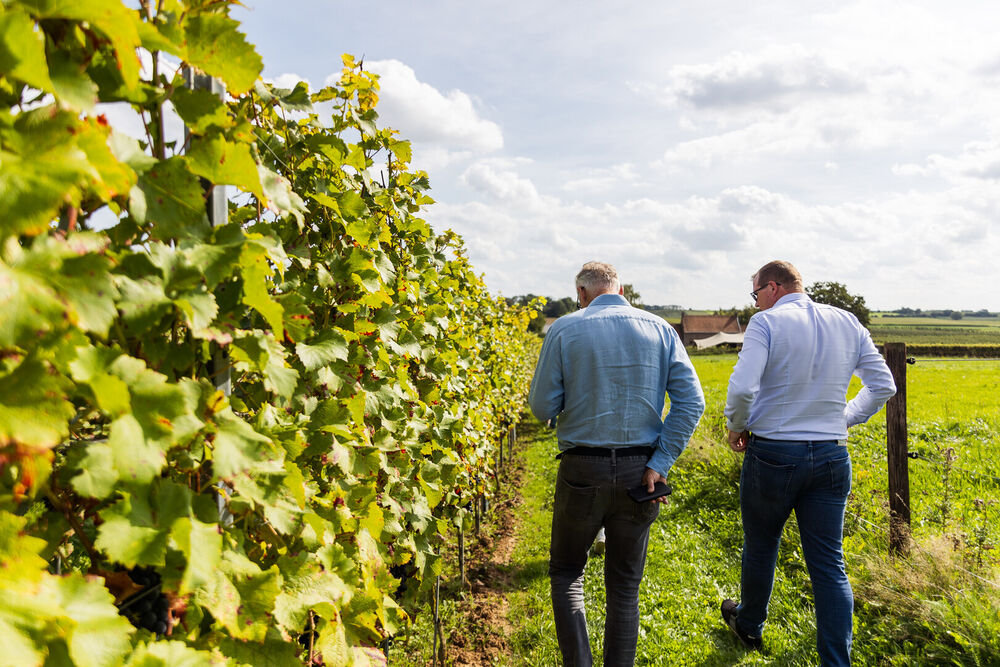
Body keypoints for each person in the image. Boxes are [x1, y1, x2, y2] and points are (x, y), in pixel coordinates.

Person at [529, 261, 705, 666]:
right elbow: (692, 401)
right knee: (625, 586)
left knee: (568, 571)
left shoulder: (564, 328)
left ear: (582, 294)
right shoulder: (660, 329)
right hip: (640, 473)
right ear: (621, 290)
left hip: (582, 469)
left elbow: (541, 408)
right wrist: (661, 461)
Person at [722, 260, 896, 667]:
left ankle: (749, 625)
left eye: (756, 294)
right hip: (833, 453)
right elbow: (882, 385)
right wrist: (844, 417)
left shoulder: (767, 323)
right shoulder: (847, 322)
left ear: (773, 287)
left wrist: (737, 426)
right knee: (829, 561)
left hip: (774, 453)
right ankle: (837, 662)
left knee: (762, 545)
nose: (757, 303)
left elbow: (744, 387)